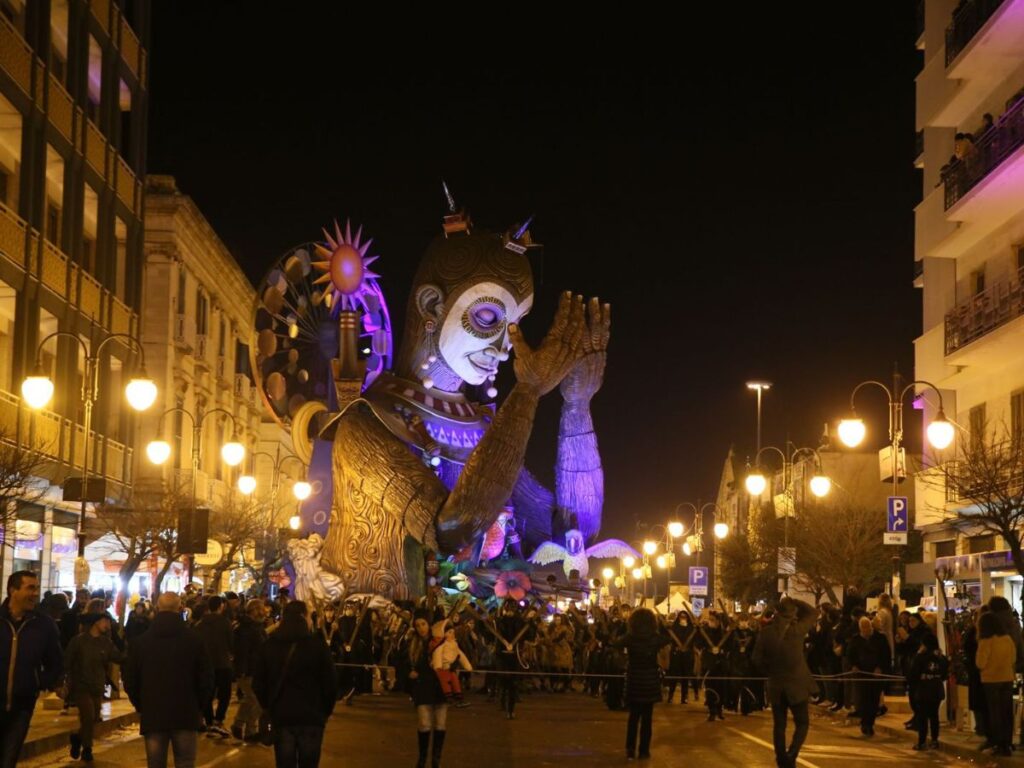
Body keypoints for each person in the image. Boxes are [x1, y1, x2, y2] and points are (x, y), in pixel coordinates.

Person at [124, 592, 213, 768]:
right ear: (180, 609)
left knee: (156, 763)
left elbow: (130, 679)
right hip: (186, 711)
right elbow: (206, 678)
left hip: (154, 711)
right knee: (185, 762)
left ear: (157, 608)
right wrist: (199, 705)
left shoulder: (141, 643)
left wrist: (141, 704)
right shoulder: (194, 640)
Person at [253, 600, 336, 768]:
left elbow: (258, 683)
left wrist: (268, 705)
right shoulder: (317, 646)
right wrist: (325, 711)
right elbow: (330, 683)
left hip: (282, 716)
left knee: (284, 763)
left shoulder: (270, 645)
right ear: (304, 617)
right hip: (311, 717)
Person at [0, 571, 63, 768]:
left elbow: (56, 662)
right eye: (30, 588)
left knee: (7, 761)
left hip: (22, 707)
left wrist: (38, 682)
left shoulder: (43, 625)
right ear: (13, 590)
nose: (35, 593)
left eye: (36, 588)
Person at [753, 597, 817, 768]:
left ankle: (782, 759)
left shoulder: (766, 633)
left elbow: (756, 659)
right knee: (802, 722)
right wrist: (796, 600)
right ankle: (792, 754)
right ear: (792, 612)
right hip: (796, 685)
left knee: (779, 725)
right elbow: (813, 612)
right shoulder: (797, 630)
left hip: (776, 685)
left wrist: (770, 672)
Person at [64, 611, 124, 761]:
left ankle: (77, 738)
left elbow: (119, 657)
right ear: (97, 622)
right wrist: (63, 683)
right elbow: (67, 662)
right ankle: (87, 749)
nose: (108, 625)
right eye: (106, 621)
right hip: (81, 686)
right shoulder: (78, 641)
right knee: (88, 715)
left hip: (97, 687)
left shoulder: (106, 643)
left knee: (93, 719)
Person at [614, 607, 669, 761]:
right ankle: (644, 750)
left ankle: (630, 749)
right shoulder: (655, 637)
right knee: (647, 719)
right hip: (650, 678)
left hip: (634, 677)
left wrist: (623, 626)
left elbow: (616, 643)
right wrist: (662, 625)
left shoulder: (630, 637)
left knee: (633, 717)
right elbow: (667, 638)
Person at [408, 610, 448, 768]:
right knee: (424, 724)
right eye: (417, 625)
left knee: (440, 725)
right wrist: (409, 673)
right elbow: (403, 661)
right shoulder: (413, 643)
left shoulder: (439, 641)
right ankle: (422, 758)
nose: (421, 628)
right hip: (422, 687)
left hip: (440, 687)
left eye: (423, 624)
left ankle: (436, 759)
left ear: (429, 624)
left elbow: (452, 655)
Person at [976, 611, 1015, 756]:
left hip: (991, 680)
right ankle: (1006, 743)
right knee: (1006, 712)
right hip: (1007, 678)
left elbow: (980, 663)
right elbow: (1013, 658)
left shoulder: (986, 641)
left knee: (995, 712)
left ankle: (998, 743)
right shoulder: (1007, 639)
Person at [194, 595, 234, 737]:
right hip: (223, 663)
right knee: (225, 694)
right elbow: (231, 643)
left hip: (206, 664)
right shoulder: (225, 623)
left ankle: (209, 720)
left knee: (208, 693)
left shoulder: (200, 624)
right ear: (220, 606)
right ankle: (219, 719)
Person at [845, 616, 891, 736]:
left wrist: (880, 667)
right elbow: (849, 655)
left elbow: (886, 655)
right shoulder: (855, 640)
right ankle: (865, 722)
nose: (866, 630)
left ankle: (869, 724)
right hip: (861, 675)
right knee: (862, 700)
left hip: (876, 675)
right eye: (863, 628)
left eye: (868, 627)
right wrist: (853, 665)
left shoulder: (880, 639)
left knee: (873, 700)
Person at [908, 633, 948, 751]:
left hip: (924, 690)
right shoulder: (941, 657)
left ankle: (922, 742)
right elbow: (944, 674)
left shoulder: (921, 657)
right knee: (934, 715)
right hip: (936, 689)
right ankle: (934, 740)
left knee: (922, 717)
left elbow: (913, 674)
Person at [431, 620, 472, 706]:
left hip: (452, 668)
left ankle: (459, 698)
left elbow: (461, 655)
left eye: (453, 632)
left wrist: (467, 666)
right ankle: (448, 698)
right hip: (443, 668)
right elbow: (437, 654)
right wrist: (438, 666)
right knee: (445, 683)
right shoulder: (442, 645)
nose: (452, 634)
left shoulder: (454, 644)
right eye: (449, 632)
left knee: (455, 681)